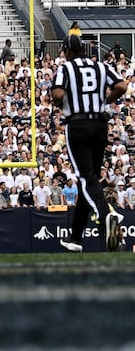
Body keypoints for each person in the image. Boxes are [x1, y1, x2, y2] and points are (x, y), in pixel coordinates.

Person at [52, 34, 126, 252]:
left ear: (68, 51)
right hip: (100, 125)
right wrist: (105, 100)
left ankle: (107, 216)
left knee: (85, 177)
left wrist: (58, 101)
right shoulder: (101, 67)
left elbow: (57, 92)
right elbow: (122, 86)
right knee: (90, 178)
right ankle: (76, 238)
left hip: (78, 125)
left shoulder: (66, 69)